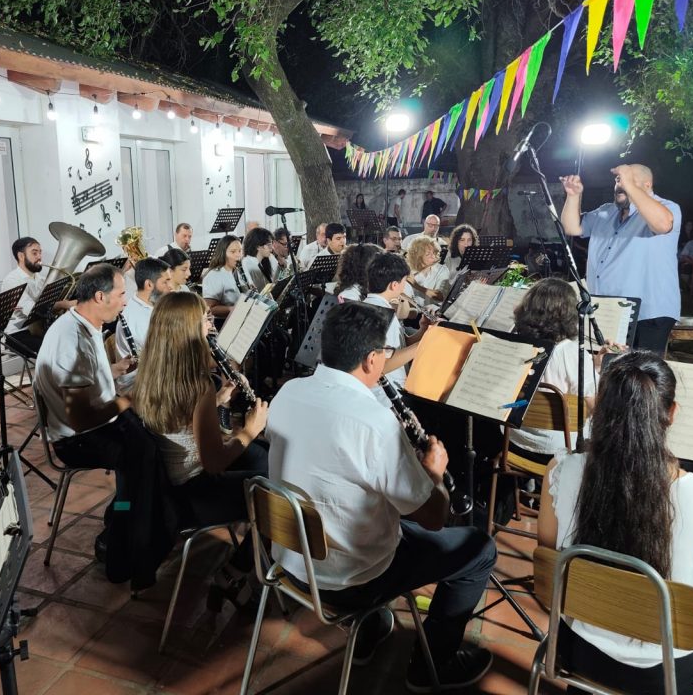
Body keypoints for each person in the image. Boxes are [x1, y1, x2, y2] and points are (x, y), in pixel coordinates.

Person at [267, 302, 496, 691]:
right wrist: (434, 474)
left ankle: (368, 629)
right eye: (386, 354)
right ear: (372, 359)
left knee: (371, 508)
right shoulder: (374, 421)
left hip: (290, 562)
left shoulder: (288, 392)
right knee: (479, 549)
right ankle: (432, 663)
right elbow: (433, 518)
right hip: (351, 580)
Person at [539, 352, 693, 694]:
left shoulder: (560, 471)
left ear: (601, 409)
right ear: (671, 413)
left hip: (579, 651)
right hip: (667, 675)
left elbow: (549, 556)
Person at [132, 292, 269, 601]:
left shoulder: (150, 373)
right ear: (187, 329)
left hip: (167, 486)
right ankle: (233, 573)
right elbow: (214, 463)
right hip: (193, 493)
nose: (211, 325)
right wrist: (250, 429)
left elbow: (177, 420)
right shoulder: (197, 385)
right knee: (276, 497)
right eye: (205, 320)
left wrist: (216, 402)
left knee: (262, 457)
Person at [560, 165, 680, 354]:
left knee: (640, 370)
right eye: (618, 180)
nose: (620, 184)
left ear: (647, 185)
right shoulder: (605, 212)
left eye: (628, 179)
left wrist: (628, 186)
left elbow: (663, 224)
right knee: (606, 366)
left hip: (648, 313)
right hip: (608, 310)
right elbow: (571, 228)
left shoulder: (667, 208)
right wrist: (573, 196)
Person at [34, 265, 133, 470]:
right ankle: (131, 493)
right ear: (100, 297)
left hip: (97, 421)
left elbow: (89, 376)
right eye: (121, 294)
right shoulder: (73, 341)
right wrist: (132, 399)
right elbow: (81, 421)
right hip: (78, 440)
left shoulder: (81, 321)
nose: (125, 302)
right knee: (145, 451)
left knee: (151, 434)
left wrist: (117, 369)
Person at [508, 278, 602, 460]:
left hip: (514, 439)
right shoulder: (572, 353)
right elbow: (595, 408)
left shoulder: (515, 344)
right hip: (558, 450)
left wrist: (594, 366)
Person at [364, 252, 431, 402]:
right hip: (387, 396)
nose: (404, 287)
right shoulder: (379, 314)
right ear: (394, 285)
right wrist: (426, 343)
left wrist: (424, 330)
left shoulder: (375, 306)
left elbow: (401, 346)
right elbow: (382, 366)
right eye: (404, 282)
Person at [1, 237, 75, 357]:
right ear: (21, 256)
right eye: (34, 253)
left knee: (74, 339)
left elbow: (47, 308)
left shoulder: (41, 280)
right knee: (58, 350)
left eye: (40, 253)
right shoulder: (12, 280)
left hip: (39, 328)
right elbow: (31, 310)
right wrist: (63, 304)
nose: (39, 257)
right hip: (18, 334)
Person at [114, 258, 173, 392]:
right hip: (139, 385)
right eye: (165, 282)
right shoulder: (136, 318)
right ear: (149, 285)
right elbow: (164, 357)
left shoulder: (152, 305)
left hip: (155, 374)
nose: (171, 287)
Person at [202, 235, 253, 319]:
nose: (238, 255)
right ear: (223, 254)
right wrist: (232, 309)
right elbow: (209, 308)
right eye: (233, 252)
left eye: (240, 251)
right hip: (224, 322)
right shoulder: (214, 276)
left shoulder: (241, 270)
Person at [404, 237, 450, 308]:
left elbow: (441, 296)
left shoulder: (442, 270)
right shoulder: (407, 271)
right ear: (417, 256)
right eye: (428, 254)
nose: (433, 256)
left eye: (434, 252)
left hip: (434, 311)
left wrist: (416, 286)